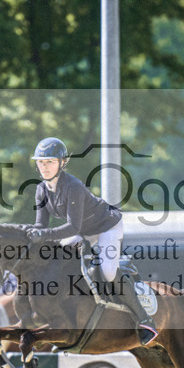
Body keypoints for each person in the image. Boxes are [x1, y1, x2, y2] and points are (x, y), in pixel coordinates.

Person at [25, 136, 158, 346]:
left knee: (108, 272)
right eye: (41, 162)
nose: (44, 167)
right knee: (57, 260)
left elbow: (72, 228)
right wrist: (28, 234)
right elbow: (41, 225)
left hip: (106, 227)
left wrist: (44, 235)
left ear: (62, 162)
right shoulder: (41, 189)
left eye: (49, 161)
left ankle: (145, 320)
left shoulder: (73, 186)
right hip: (84, 230)